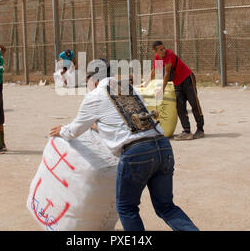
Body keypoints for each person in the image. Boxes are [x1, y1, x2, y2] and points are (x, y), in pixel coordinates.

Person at [49, 59, 199, 231]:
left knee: (126, 208)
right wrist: (96, 125)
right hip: (163, 146)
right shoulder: (128, 89)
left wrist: (62, 129)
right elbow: (125, 122)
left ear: (94, 79)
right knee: (166, 207)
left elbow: (73, 131)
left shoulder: (94, 96)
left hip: (136, 153)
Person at [144, 41, 204, 141]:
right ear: (155, 51)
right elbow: (155, 72)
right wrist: (145, 84)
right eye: (161, 49)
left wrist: (162, 90)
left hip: (187, 79)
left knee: (194, 104)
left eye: (164, 48)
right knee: (180, 107)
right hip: (177, 83)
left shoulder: (169, 54)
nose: (164, 50)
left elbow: (167, 74)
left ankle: (200, 129)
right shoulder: (157, 58)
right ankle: (187, 131)